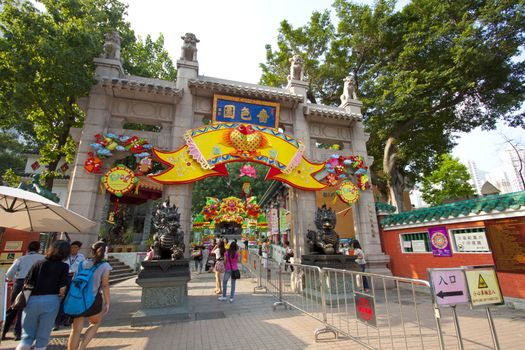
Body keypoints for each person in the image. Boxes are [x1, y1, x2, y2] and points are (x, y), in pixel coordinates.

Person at [15, 240, 70, 350]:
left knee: (26, 336)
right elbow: (62, 289)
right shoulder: (63, 267)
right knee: (43, 336)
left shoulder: (38, 263)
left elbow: (27, 283)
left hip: (32, 299)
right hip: (51, 300)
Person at [67, 241, 112, 350]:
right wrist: (107, 302)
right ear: (105, 252)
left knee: (76, 330)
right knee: (95, 323)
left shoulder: (82, 263)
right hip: (94, 298)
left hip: (78, 298)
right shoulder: (105, 265)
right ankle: (82, 347)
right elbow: (105, 285)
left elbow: (74, 279)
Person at [3, 241, 44, 341]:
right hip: (34, 285)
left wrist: (13, 279)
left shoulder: (21, 259)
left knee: (13, 307)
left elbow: (9, 274)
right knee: (25, 309)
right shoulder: (43, 259)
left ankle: (3, 332)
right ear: (38, 249)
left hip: (20, 283)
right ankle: (18, 333)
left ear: (28, 249)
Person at [54, 241, 86, 331]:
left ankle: (67, 319)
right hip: (64, 278)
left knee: (71, 299)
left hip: (75, 279)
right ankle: (57, 322)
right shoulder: (64, 256)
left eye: (76, 247)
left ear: (79, 249)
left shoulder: (81, 257)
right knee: (62, 300)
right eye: (72, 247)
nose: (73, 249)